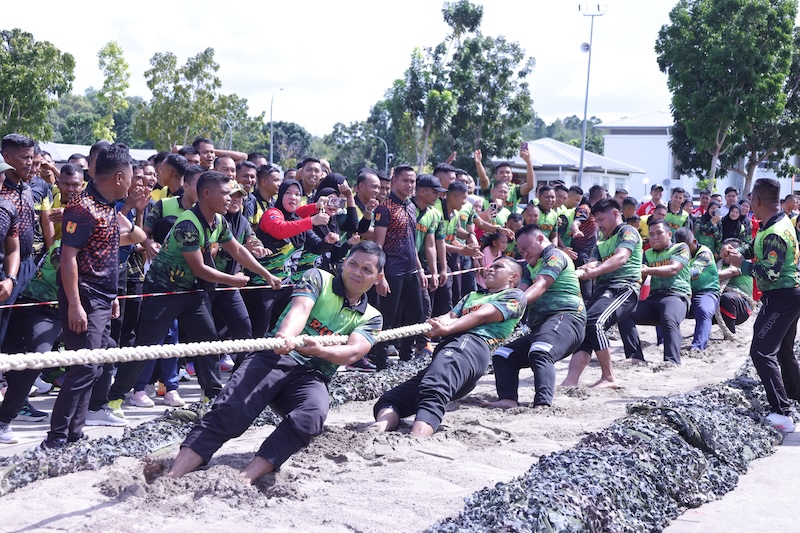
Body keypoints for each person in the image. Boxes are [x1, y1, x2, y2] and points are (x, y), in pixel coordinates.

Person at [167, 241, 385, 483]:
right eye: (353, 264)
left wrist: (319, 350)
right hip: (275, 356)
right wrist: (286, 337)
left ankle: (246, 477)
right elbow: (300, 310)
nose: (357, 272)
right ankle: (173, 474)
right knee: (232, 410)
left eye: (367, 269)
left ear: (377, 277)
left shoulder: (372, 317)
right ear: (344, 263)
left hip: (312, 374)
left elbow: (353, 352)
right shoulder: (318, 278)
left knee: (311, 416)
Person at [107, 172, 282, 411]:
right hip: (164, 291)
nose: (230, 198)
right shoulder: (188, 224)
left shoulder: (219, 221)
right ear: (206, 194)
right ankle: (114, 397)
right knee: (148, 345)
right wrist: (233, 280)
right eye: (225, 193)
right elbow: (199, 268)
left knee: (208, 341)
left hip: (192, 291)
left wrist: (266, 275)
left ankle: (212, 395)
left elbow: (238, 250)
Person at [41, 143, 144, 449]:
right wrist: (74, 305)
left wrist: (111, 295)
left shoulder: (107, 209)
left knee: (94, 367)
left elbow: (105, 250)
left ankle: (75, 434)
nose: (132, 183)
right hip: (84, 296)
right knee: (83, 367)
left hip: (101, 297)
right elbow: (68, 257)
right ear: (118, 177)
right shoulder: (83, 208)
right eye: (130, 177)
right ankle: (56, 439)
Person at [372, 256, 525, 436]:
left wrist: (446, 329)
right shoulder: (473, 295)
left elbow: (482, 315)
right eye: (490, 266)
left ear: (513, 277)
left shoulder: (515, 296)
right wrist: (435, 323)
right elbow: (451, 315)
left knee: (433, 388)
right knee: (390, 400)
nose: (490, 269)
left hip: (471, 346)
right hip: (450, 352)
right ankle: (377, 430)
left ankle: (417, 438)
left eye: (498, 267)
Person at [722, 178, 800, 432]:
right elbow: (759, 249)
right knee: (784, 350)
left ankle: (782, 413)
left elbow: (770, 273)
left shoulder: (775, 232)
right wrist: (738, 251)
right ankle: (794, 398)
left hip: (781, 297)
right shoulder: (777, 222)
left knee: (761, 351)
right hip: (789, 294)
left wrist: (740, 265)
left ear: (756, 201)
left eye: (751, 202)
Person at [484, 225, 586, 408]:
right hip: (543, 327)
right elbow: (520, 293)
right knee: (503, 355)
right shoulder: (530, 267)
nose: (524, 253)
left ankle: (543, 404)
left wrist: (511, 306)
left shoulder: (554, 255)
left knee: (540, 350)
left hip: (567, 318)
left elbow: (539, 287)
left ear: (539, 239)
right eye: (521, 251)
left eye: (526, 247)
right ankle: (508, 399)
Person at [560, 199, 642, 388]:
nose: (598, 224)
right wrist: (579, 271)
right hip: (604, 289)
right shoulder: (601, 242)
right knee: (585, 327)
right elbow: (593, 263)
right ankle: (571, 380)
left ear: (615, 214)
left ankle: (609, 377)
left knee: (595, 323)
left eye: (601, 219)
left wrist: (594, 272)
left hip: (624, 287)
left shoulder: (627, 232)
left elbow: (621, 258)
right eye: (595, 220)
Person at [372, 166, 426, 368]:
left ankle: (406, 357)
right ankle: (381, 362)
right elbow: (378, 245)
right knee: (387, 318)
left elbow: (412, 242)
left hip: (410, 270)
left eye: (412, 181)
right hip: (391, 271)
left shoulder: (411, 207)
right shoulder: (384, 209)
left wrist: (420, 270)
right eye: (406, 181)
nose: (410, 185)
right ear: (394, 181)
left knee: (416, 314)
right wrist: (380, 275)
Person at [618, 220, 691, 366]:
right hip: (654, 298)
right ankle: (635, 357)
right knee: (624, 312)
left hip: (677, 295)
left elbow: (673, 269)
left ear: (669, 234)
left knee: (668, 317)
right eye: (651, 234)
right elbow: (639, 277)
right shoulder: (648, 253)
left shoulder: (681, 247)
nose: (654, 237)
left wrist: (648, 270)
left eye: (659, 233)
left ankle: (671, 362)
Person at [674, 227, 719, 351]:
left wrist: (672, 270)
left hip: (706, 291)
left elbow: (692, 272)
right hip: (685, 292)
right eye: (680, 248)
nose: (683, 251)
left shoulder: (705, 253)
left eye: (686, 248)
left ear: (694, 242)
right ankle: (662, 342)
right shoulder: (675, 252)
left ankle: (698, 347)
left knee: (703, 311)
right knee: (663, 306)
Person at [717, 237, 753, 334]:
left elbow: (729, 272)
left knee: (727, 298)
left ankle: (729, 334)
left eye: (730, 252)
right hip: (719, 305)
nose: (727, 255)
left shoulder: (744, 264)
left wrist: (708, 274)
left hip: (742, 307)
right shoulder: (718, 265)